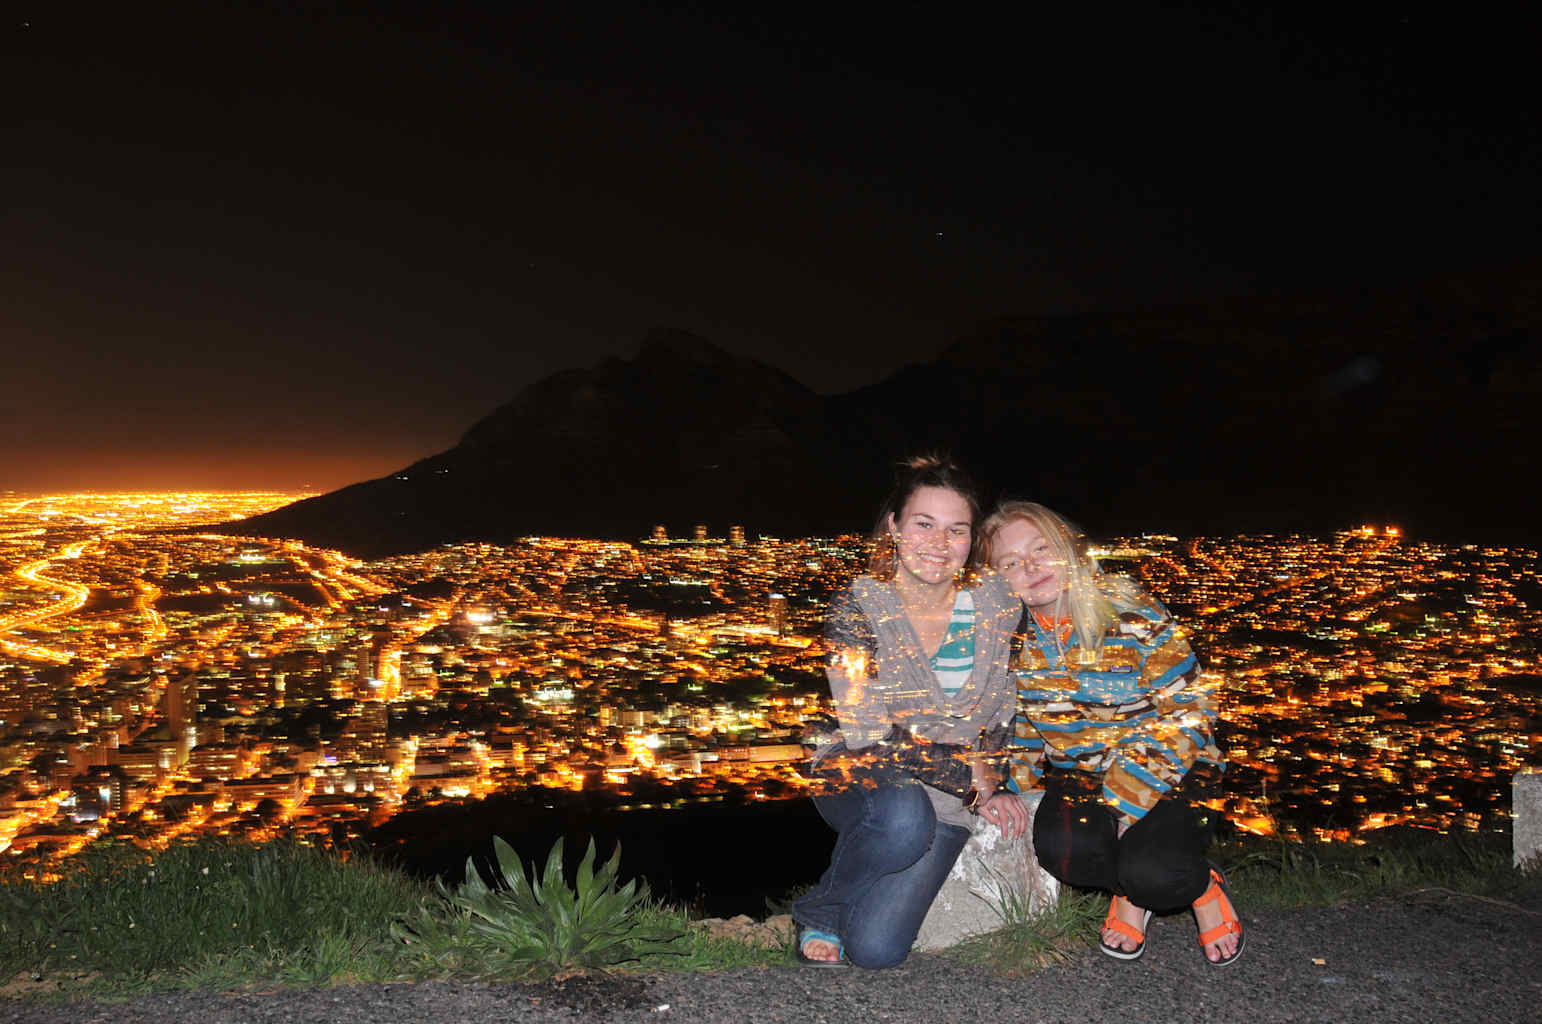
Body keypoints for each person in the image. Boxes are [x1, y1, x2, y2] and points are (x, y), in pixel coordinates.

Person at [982, 501, 1244, 966]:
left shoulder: (1127, 608)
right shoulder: (1014, 640)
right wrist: (1014, 789)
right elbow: (1023, 723)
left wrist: (1127, 799)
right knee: (1063, 855)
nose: (1031, 566)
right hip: (1082, 775)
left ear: (1069, 548)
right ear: (999, 579)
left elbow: (1193, 706)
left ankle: (1200, 887)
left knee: (1157, 875)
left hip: (1175, 767)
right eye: (1011, 562)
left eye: (1042, 548)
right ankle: (1129, 885)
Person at [792, 456, 1028, 968]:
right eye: (924, 524)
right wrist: (969, 772)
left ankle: (853, 903)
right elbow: (865, 730)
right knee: (902, 820)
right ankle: (822, 910)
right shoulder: (855, 608)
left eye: (956, 530)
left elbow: (1005, 706)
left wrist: (998, 778)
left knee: (877, 951)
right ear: (894, 527)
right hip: (858, 766)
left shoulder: (999, 604)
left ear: (972, 540)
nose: (940, 544)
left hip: (948, 795)